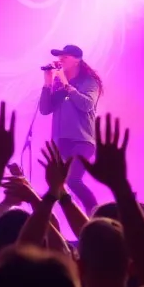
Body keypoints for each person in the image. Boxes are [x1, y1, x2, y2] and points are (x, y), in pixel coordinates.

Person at [38, 44, 103, 212]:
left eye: (64, 57)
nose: (60, 60)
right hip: (61, 140)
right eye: (59, 57)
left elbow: (86, 104)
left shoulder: (89, 82)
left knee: (73, 180)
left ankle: (95, 214)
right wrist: (47, 83)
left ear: (77, 60)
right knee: (58, 183)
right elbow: (45, 110)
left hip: (82, 140)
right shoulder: (58, 85)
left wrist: (67, 84)